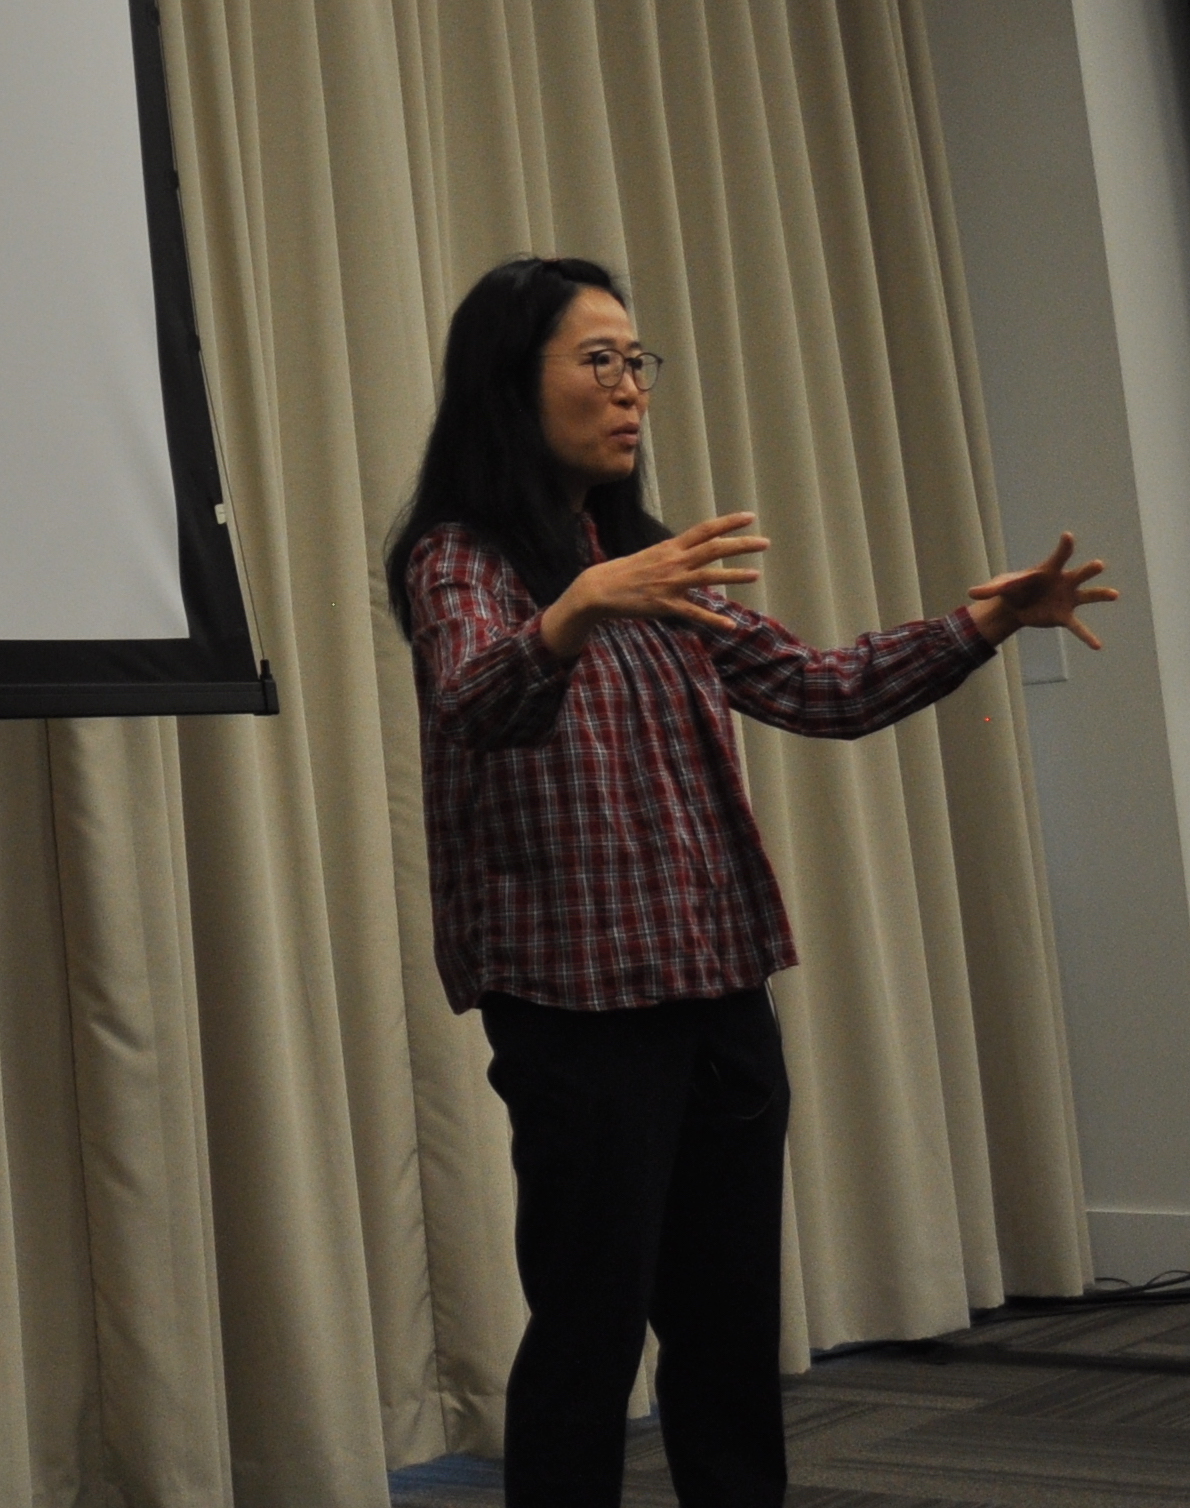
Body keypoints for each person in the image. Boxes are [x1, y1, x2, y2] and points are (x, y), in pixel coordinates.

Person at [387, 255, 1113, 1508]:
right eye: (597, 360)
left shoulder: (652, 559)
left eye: (637, 362)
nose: (630, 390)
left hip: (718, 987)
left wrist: (979, 624)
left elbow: (820, 689)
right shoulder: (464, 557)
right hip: (575, 1011)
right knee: (590, 1327)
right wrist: (575, 607)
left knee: (726, 1326)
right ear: (512, 383)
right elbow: (471, 695)